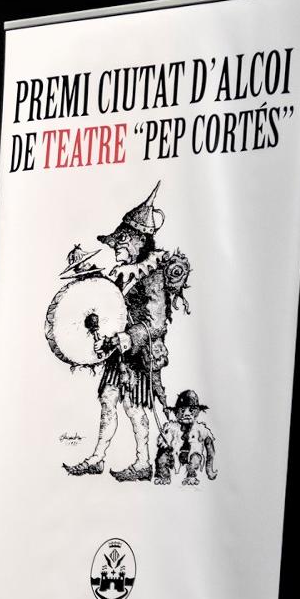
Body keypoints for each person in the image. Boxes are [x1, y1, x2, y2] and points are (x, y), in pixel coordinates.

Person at [64, 182, 192, 481]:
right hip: (117, 353)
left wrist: (127, 337)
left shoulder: (154, 275)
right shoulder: (123, 272)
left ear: (139, 241)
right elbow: (111, 303)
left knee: (134, 408)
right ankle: (97, 458)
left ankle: (143, 462)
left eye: (123, 240)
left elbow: (156, 323)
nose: (117, 246)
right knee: (108, 400)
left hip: (139, 354)